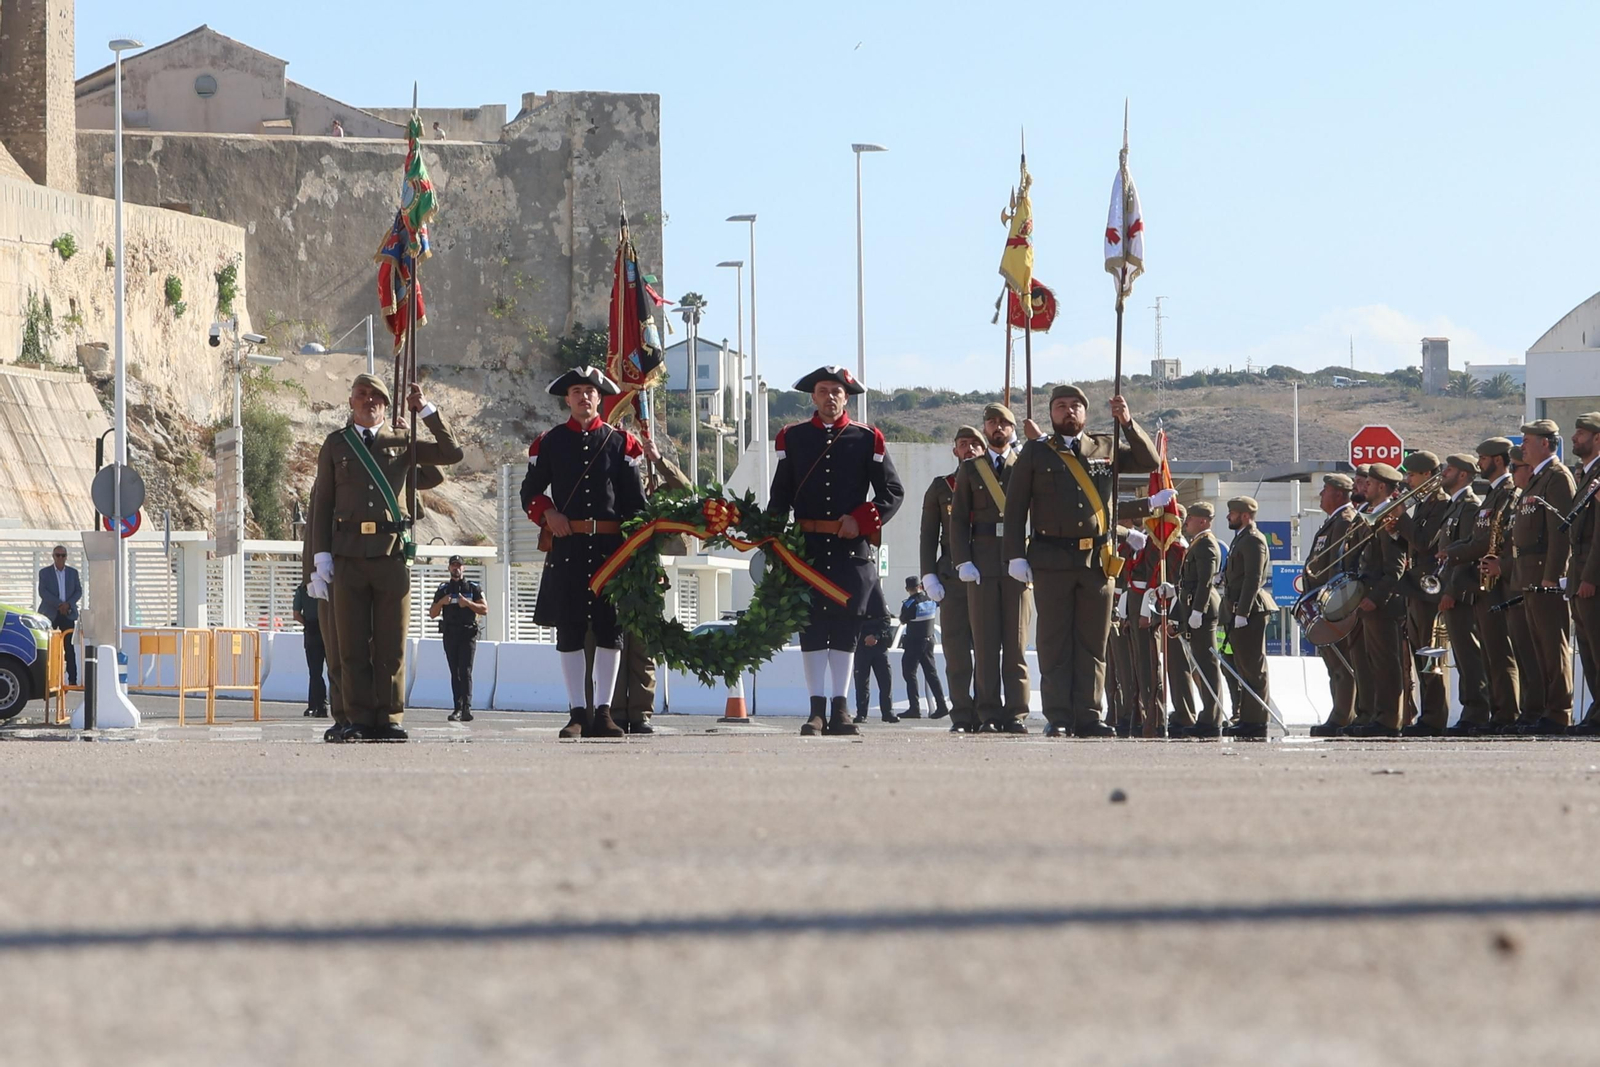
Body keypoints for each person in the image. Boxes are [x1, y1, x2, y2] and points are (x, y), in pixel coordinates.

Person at [310, 372, 463, 742]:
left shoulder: (403, 440)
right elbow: (323, 503)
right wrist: (321, 556)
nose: (369, 400)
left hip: (392, 555)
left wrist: (424, 409)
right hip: (347, 556)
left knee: (391, 644)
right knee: (351, 643)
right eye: (361, 394)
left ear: (386, 404)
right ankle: (358, 719)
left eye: (376, 396)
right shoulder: (336, 444)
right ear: (351, 402)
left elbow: (451, 453)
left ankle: (390, 717)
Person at [1001, 384, 1160, 738]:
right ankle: (1058, 715)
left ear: (1086, 413)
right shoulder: (1035, 453)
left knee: (1093, 641)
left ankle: (1089, 714)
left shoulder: (1104, 446)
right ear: (1051, 414)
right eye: (1060, 406)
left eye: (1075, 406)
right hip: (1050, 558)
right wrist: (1014, 555)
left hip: (1097, 560)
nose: (1068, 412)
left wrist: (1128, 421)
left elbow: (1150, 461)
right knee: (1055, 641)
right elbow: (1015, 508)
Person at [768, 366, 904, 736]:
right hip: (806, 549)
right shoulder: (792, 438)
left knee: (846, 630)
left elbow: (892, 492)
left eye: (837, 391)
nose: (830, 397)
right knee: (811, 629)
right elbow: (779, 495)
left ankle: (841, 709)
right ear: (813, 397)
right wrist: (768, 536)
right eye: (823, 390)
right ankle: (816, 711)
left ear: (847, 397)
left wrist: (861, 520)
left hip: (850, 551)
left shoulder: (866, 438)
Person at [522, 367, 647, 739]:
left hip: (611, 549)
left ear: (599, 397)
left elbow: (636, 504)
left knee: (611, 630)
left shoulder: (620, 443)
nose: (583, 398)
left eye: (589, 392)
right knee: (571, 630)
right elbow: (529, 491)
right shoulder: (550, 442)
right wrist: (547, 513)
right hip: (568, 547)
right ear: (567, 399)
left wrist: (637, 550)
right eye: (576, 391)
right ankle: (577, 712)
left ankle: (604, 712)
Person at [594, 435, 691, 734]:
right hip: (613, 572)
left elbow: (685, 490)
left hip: (645, 576)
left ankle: (639, 713)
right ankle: (615, 711)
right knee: (612, 643)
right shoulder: (610, 487)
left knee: (641, 647)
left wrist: (659, 460)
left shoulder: (657, 494)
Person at [951, 403, 1033, 733]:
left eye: (1004, 424)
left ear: (1013, 429)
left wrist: (1032, 557)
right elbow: (958, 520)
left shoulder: (1027, 464)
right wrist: (963, 561)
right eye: (991, 423)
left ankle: (1016, 713)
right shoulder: (971, 469)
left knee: (1016, 645)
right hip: (982, 565)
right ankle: (988, 713)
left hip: (1017, 562)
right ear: (984, 429)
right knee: (985, 646)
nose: (998, 428)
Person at [1510, 419, 1576, 734]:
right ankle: (1545, 710)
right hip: (1529, 574)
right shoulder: (1537, 479)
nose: (1523, 445)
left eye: (1529, 440)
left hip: (1544, 575)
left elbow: (1561, 532)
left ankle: (1559, 712)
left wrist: (1554, 574)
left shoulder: (1557, 477)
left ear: (1546, 444)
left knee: (1553, 646)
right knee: (1538, 649)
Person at [920, 426, 982, 731]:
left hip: (989, 575)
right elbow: (928, 535)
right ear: (954, 450)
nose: (969, 449)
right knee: (957, 652)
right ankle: (961, 713)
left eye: (975, 444)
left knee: (987, 650)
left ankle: (987, 713)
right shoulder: (941, 487)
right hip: (953, 579)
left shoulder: (1000, 484)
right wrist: (928, 575)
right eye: (963, 444)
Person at [1344, 465, 1407, 737]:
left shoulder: (1390, 516)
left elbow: (1395, 567)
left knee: (1386, 663)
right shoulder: (1370, 515)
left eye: (1368, 483)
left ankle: (1389, 719)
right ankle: (1375, 714)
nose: (1363, 487)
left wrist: (1375, 598)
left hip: (1382, 603)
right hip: (1367, 598)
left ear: (1382, 487)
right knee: (1372, 662)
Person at [1393, 451, 1452, 736]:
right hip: (1416, 588)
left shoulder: (1440, 504)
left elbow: (1424, 542)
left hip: (1429, 589)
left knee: (1430, 656)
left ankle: (1434, 718)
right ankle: (1427, 716)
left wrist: (1401, 518)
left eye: (1412, 475)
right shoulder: (1424, 504)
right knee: (1419, 655)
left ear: (1427, 476)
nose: (1407, 480)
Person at [1433, 453, 1488, 735]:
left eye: (1450, 469)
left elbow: (1467, 552)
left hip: (1462, 592)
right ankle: (1470, 710)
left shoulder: (1469, 507)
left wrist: (1451, 590)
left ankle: (1476, 712)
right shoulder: (1455, 507)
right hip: (1449, 588)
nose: (1444, 473)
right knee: (1463, 656)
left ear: (1464, 475)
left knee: (1470, 655)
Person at [1303, 474, 1359, 737]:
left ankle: (1343, 716)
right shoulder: (1332, 521)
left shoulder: (1345, 520)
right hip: (1322, 602)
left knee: (1341, 664)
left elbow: (1339, 565)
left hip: (1334, 605)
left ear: (1338, 493)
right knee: (1333, 665)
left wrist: (1329, 601)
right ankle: (1339, 712)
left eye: (1325, 490)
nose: (1321, 495)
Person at [1220, 496, 1275, 739]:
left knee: (1253, 667)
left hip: (1250, 610)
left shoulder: (1253, 539)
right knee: (1243, 667)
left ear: (1244, 515)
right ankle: (1247, 717)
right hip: (1237, 608)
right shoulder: (1241, 538)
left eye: (1232, 513)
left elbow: (1254, 578)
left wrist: (1242, 611)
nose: (1228, 517)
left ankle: (1257, 720)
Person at [1176, 501, 1223, 738]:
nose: (1186, 523)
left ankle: (1212, 717)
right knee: (1201, 664)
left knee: (1207, 664)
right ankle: (1208, 713)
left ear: (1203, 520)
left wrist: (1198, 610)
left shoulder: (1206, 544)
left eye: (1190, 519)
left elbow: (1205, 580)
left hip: (1201, 610)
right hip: (1194, 607)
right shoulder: (1198, 542)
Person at [1566, 414, 1600, 736]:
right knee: (1588, 650)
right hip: (1578, 577)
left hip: (1592, 578)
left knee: (1597, 647)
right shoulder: (1586, 474)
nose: (1575, 438)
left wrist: (1590, 577)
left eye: (1581, 434)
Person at [430, 554, 487, 722]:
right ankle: (457, 708)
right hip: (450, 635)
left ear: (464, 568)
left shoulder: (473, 588)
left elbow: (484, 609)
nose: (456, 568)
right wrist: (442, 603)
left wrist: (468, 604)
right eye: (453, 565)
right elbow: (432, 614)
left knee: (466, 671)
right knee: (455, 672)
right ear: (449, 568)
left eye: (459, 565)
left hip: (467, 634)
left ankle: (466, 708)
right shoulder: (443, 589)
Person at [898, 575, 946, 719]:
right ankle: (942, 705)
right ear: (921, 586)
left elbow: (902, 620)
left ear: (907, 589)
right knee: (931, 674)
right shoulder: (931, 600)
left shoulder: (909, 604)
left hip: (914, 643)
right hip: (929, 641)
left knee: (909, 673)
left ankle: (914, 708)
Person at [37, 545, 81, 686]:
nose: (60, 558)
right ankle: (48, 679)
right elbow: (43, 592)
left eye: (63, 555)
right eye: (57, 555)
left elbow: (78, 591)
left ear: (66, 556)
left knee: (69, 647)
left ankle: (72, 679)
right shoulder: (44, 573)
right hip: (51, 614)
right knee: (49, 647)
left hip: (67, 614)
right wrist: (59, 604)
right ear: (53, 556)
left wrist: (68, 605)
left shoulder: (73, 573)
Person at [853, 582, 897, 723]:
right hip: (862, 646)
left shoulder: (880, 601)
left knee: (885, 681)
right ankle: (861, 714)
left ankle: (888, 712)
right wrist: (864, 637)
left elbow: (886, 620)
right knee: (861, 682)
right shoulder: (857, 600)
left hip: (880, 647)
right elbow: (852, 622)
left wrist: (876, 636)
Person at [292, 579, 329, 717]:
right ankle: (338, 705)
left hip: (312, 631)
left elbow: (296, 614)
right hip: (329, 629)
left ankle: (317, 705)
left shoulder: (302, 589)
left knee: (315, 672)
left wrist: (307, 623)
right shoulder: (329, 584)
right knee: (334, 670)